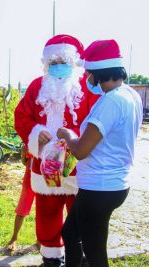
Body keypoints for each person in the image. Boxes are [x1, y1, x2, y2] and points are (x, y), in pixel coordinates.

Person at [14, 34, 99, 267]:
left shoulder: (88, 87)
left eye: (64, 61)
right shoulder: (35, 87)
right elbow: (21, 116)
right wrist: (35, 133)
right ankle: (51, 258)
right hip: (45, 164)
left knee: (80, 214)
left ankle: (79, 256)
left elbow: (97, 120)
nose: (58, 66)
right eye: (53, 62)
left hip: (77, 165)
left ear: (74, 63)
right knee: (47, 213)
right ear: (46, 63)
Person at [57, 39, 143, 267]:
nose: (88, 79)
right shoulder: (130, 94)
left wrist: (67, 134)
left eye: (89, 73)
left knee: (95, 255)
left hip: (100, 188)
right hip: (110, 185)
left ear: (97, 72)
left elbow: (82, 151)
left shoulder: (111, 102)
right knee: (70, 233)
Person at [6, 145, 38, 251]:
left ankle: (40, 241)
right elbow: (25, 162)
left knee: (42, 211)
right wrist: (23, 154)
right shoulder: (31, 138)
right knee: (22, 208)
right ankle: (14, 238)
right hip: (29, 179)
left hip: (45, 180)